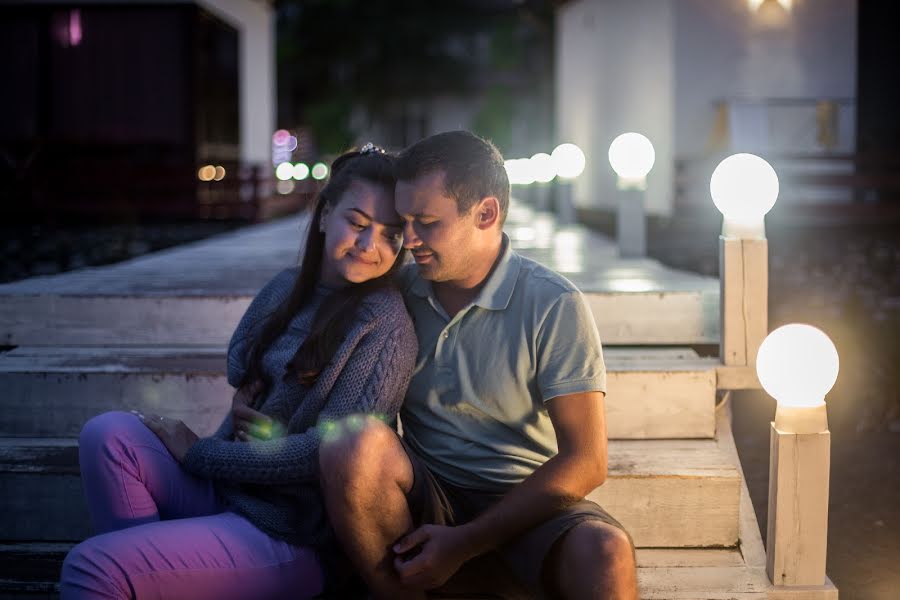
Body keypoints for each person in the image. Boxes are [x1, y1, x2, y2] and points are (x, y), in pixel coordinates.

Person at [60, 144, 418, 600]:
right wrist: (249, 396)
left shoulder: (384, 325)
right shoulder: (287, 286)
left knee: (93, 567)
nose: (371, 246)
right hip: (233, 491)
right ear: (325, 215)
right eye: (358, 223)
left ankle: (137, 576)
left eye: (391, 235)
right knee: (107, 435)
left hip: (293, 532)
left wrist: (201, 454)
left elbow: (325, 455)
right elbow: (242, 362)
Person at [319, 131, 638, 599]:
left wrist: (466, 544)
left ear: (485, 214)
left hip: (528, 501)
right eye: (404, 221)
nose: (408, 240)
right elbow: (318, 337)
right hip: (429, 493)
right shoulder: (399, 293)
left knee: (607, 553)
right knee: (349, 443)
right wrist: (259, 402)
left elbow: (587, 461)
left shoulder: (552, 303)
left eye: (426, 222)